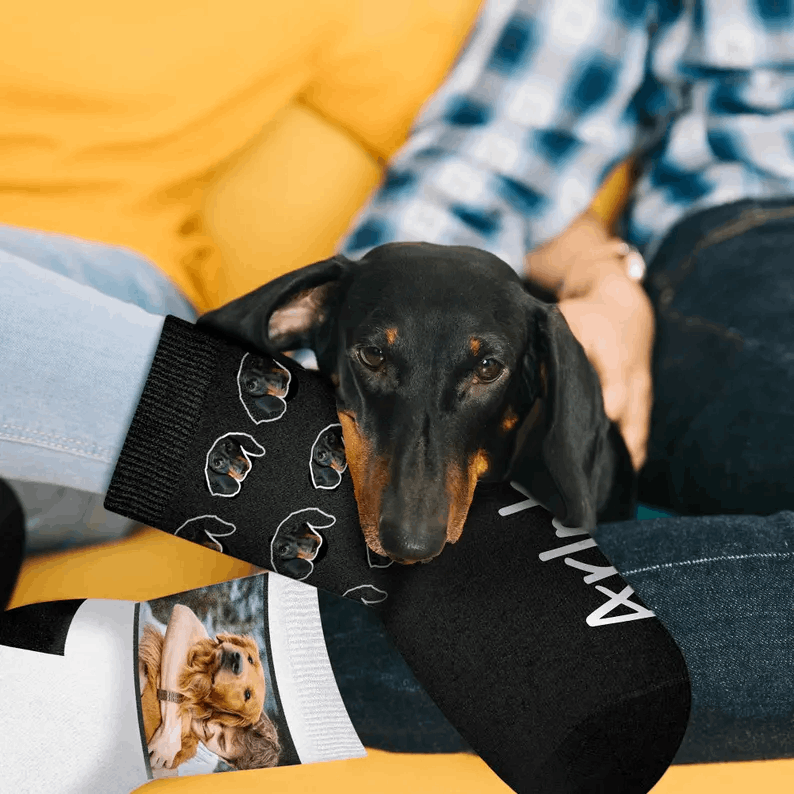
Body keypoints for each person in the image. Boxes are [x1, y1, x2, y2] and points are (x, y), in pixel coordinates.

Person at [2, 0, 794, 766]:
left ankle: (168, 683)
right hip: (762, 234)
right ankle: (227, 535)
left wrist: (598, 274)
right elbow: (493, 158)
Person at [143, 603, 281, 776]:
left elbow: (164, 773)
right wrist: (171, 726)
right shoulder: (212, 671)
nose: (212, 726)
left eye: (221, 740)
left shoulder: (205, 761)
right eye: (223, 722)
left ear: (225, 760)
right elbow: (183, 615)